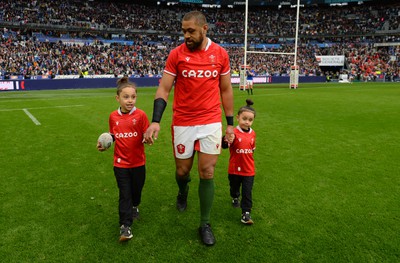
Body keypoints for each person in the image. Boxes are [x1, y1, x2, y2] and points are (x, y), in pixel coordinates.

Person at [143, 11, 234, 246]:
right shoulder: (176, 54)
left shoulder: (220, 54)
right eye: (184, 31)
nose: (186, 35)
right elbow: (164, 89)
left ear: (205, 29)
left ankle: (205, 223)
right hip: (183, 121)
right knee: (183, 171)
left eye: (191, 31)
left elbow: (225, 90)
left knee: (208, 171)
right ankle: (182, 190)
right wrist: (155, 121)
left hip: (211, 120)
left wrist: (231, 125)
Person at [97, 76, 150, 242]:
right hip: (120, 164)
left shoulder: (141, 115)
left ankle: (135, 206)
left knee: (136, 192)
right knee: (124, 194)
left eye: (133, 97)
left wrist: (147, 138)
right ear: (117, 98)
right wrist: (105, 143)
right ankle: (125, 227)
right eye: (126, 97)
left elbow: (146, 133)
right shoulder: (113, 116)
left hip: (138, 163)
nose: (130, 100)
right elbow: (113, 135)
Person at [222, 99, 256, 225]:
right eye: (244, 118)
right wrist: (226, 139)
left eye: (250, 120)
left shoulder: (253, 134)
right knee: (234, 187)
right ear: (237, 118)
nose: (247, 122)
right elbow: (224, 145)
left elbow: (252, 149)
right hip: (235, 169)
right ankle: (235, 196)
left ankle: (246, 214)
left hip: (249, 169)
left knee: (247, 192)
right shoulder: (233, 133)